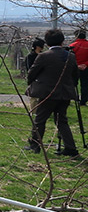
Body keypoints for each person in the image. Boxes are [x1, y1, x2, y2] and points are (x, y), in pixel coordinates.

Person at [24, 29, 80, 157]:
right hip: (65, 93)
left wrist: (32, 83)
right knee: (62, 121)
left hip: (47, 93)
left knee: (40, 120)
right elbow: (75, 75)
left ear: (47, 43)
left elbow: (32, 73)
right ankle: (70, 148)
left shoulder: (44, 56)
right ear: (62, 41)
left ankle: (35, 144)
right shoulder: (70, 56)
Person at [68, 30, 88, 106]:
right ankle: (83, 101)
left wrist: (77, 65)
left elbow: (70, 58)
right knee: (85, 84)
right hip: (86, 67)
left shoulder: (73, 45)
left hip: (75, 67)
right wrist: (85, 64)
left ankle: (73, 98)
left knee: (72, 84)